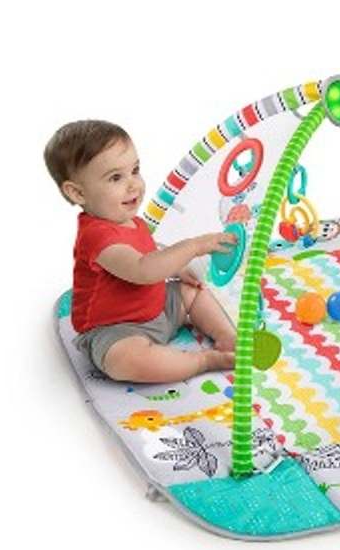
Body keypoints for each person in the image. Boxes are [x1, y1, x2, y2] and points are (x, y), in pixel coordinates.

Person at [46, 119, 238, 382]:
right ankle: (203, 361)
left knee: (192, 293)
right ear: (78, 193)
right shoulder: (96, 236)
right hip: (118, 330)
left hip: (157, 307)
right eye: (116, 177)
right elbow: (142, 269)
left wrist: (179, 269)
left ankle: (228, 337)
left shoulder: (130, 220)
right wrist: (195, 246)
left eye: (135, 170)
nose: (133, 184)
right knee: (125, 360)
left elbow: (150, 251)